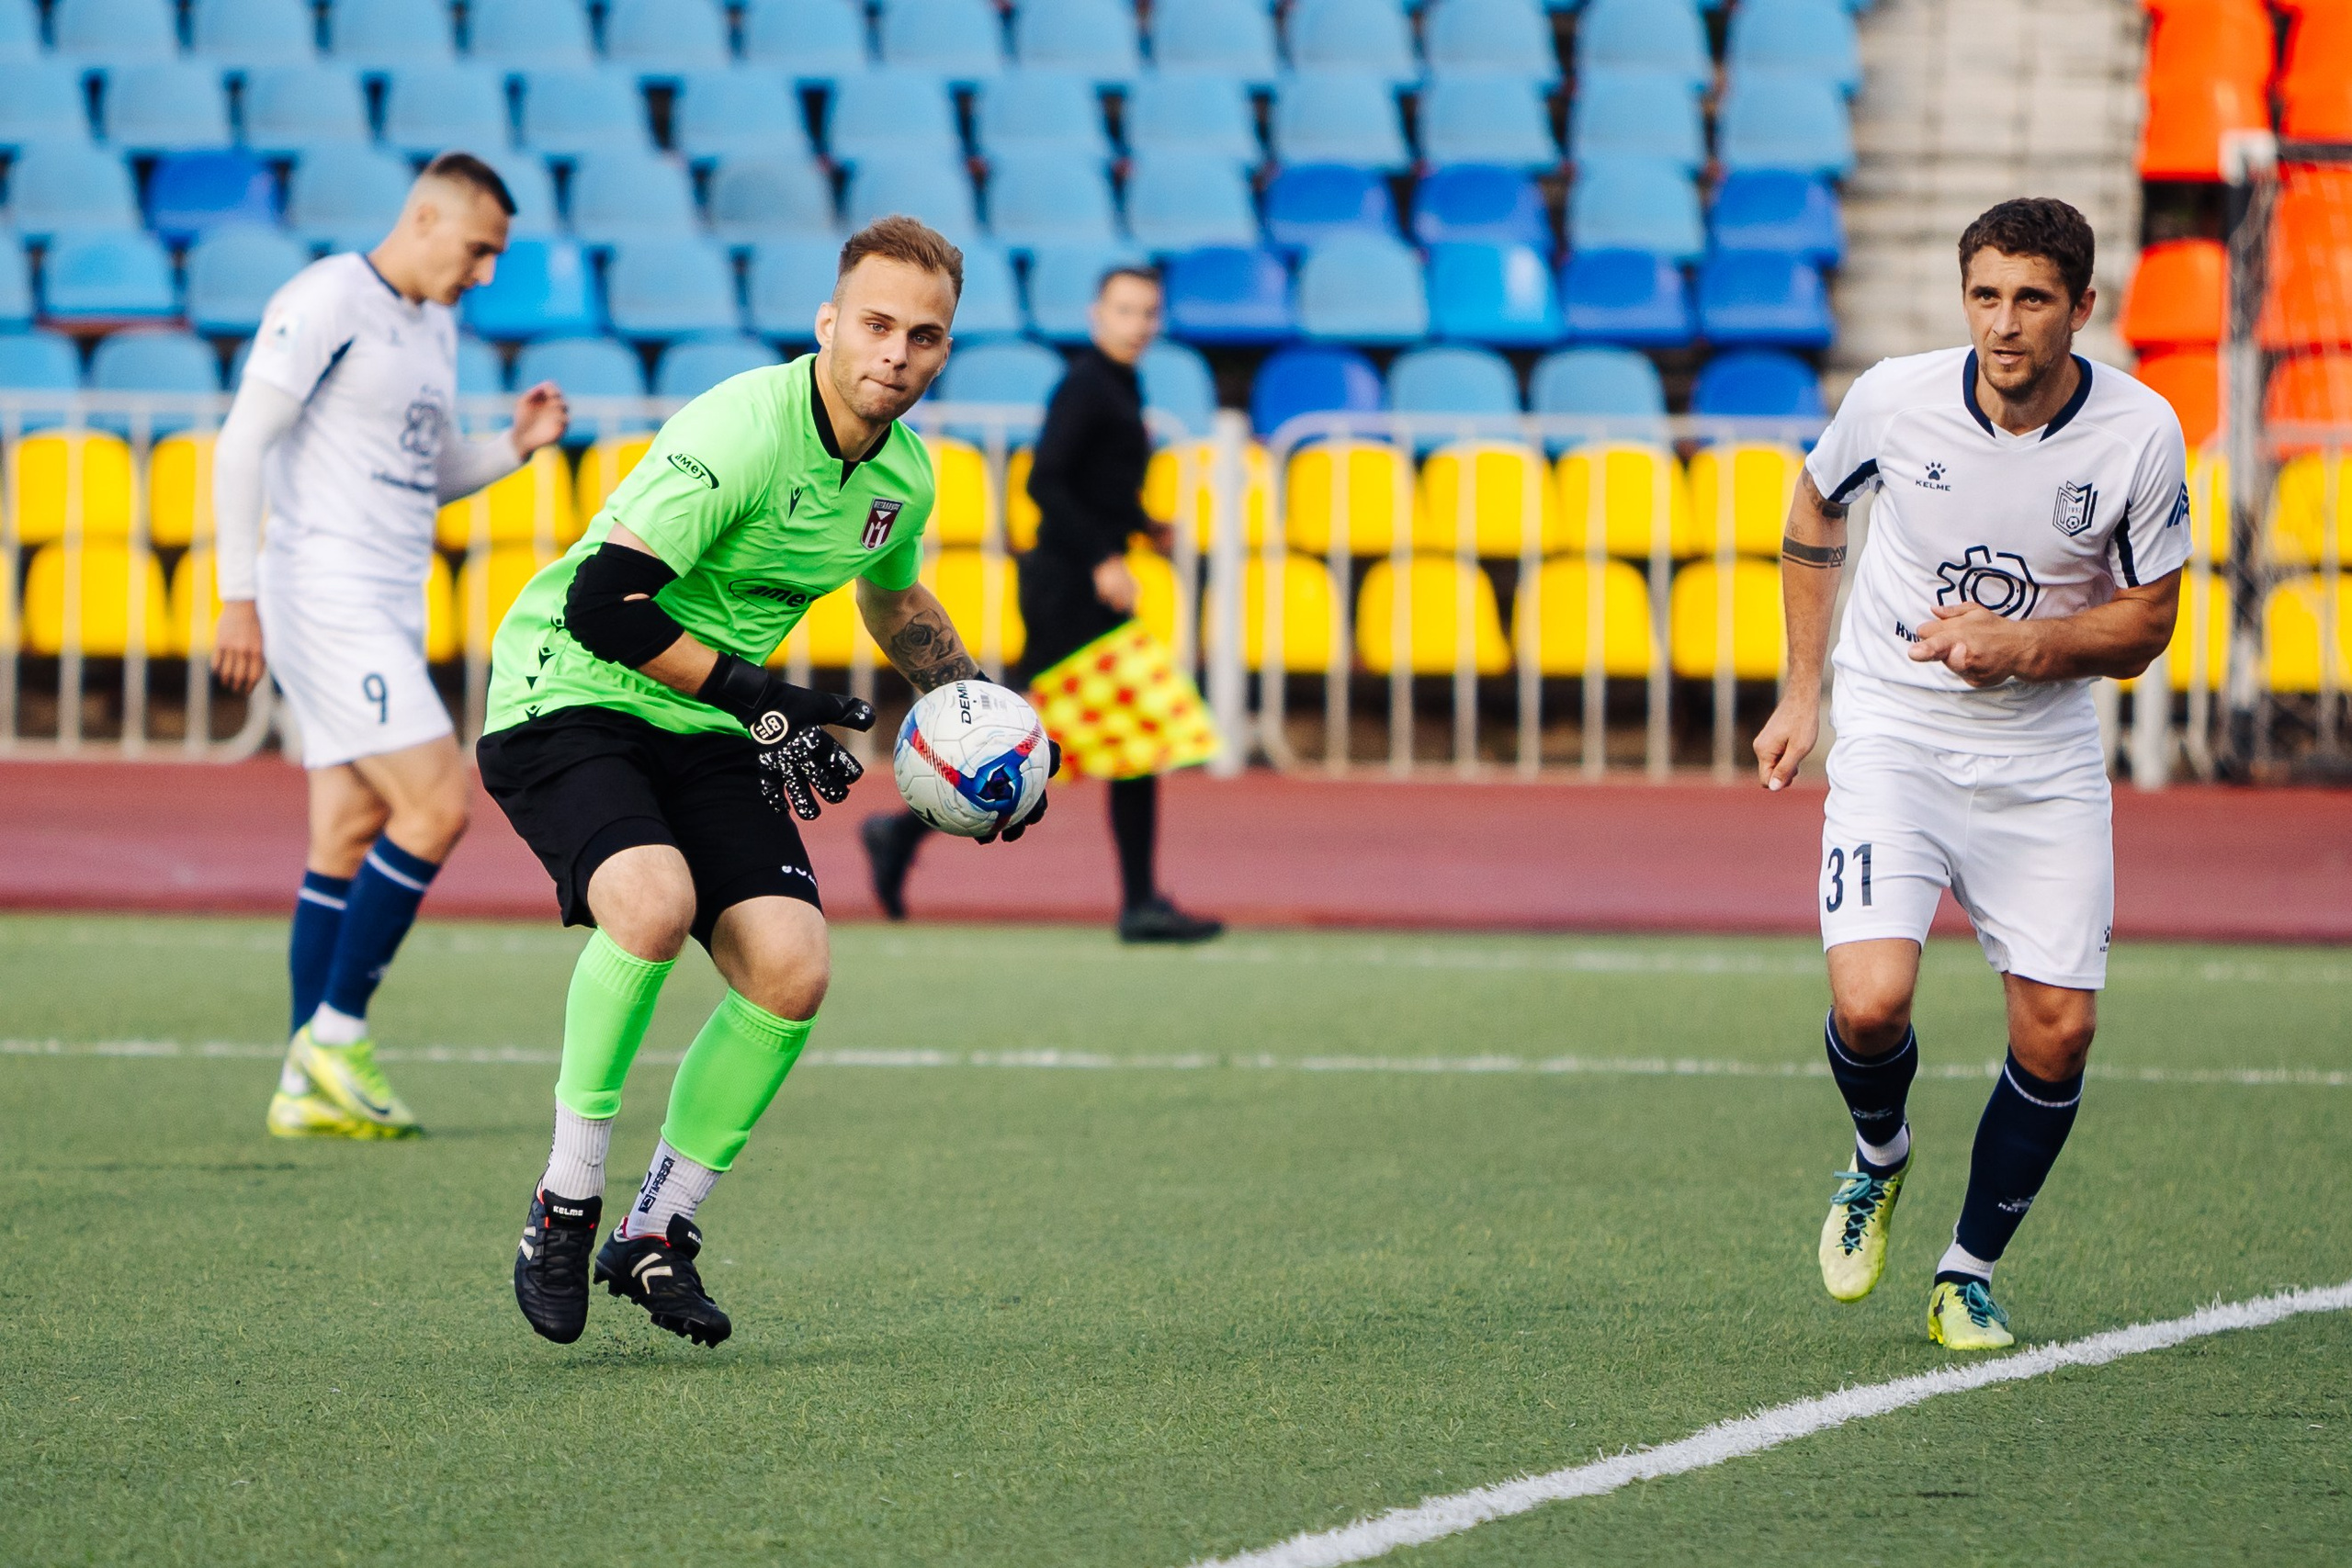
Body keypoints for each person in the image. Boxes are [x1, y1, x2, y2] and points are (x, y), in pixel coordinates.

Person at [483, 217, 1049, 1348]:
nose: (896, 353)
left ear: (943, 354)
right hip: (570, 689)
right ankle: (565, 1200)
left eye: (924, 337)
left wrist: (985, 724)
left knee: (791, 971)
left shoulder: (902, 476)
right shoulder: (742, 427)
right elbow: (606, 604)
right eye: (877, 326)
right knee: (650, 904)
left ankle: (654, 1232)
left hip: (711, 714)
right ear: (830, 324)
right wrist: (758, 699)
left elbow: (889, 599)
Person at [1754, 198, 2189, 1349]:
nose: (2005, 324)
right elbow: (1813, 504)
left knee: (2056, 1032)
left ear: (2082, 309)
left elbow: (2149, 623)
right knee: (1870, 1000)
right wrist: (1804, 693)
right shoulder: (1894, 397)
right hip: (1894, 736)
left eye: (2033, 299)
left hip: (2042, 763)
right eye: (1986, 296)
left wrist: (2025, 647)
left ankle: (1965, 1272)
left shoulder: (2140, 434)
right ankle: (1875, 1160)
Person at [209, 152, 570, 1142]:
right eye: (478, 249)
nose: (486, 273)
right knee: (438, 805)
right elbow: (241, 442)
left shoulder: (432, 324)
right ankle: (333, 1034)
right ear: (423, 217)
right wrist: (236, 597)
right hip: (325, 595)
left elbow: (417, 472)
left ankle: (303, 1077)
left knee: (347, 830)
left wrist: (509, 449)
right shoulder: (328, 297)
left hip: (383, 598)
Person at [861, 265, 1222, 943]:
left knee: (1080, 739)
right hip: (1069, 587)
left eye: (1148, 312)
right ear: (1097, 315)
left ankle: (901, 834)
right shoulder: (1086, 386)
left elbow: (1092, 485)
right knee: (1062, 738)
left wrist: (1140, 525)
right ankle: (1136, 900)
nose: (1138, 324)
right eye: (1125, 310)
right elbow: (1047, 482)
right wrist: (1103, 557)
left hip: (1080, 582)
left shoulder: (1120, 384)